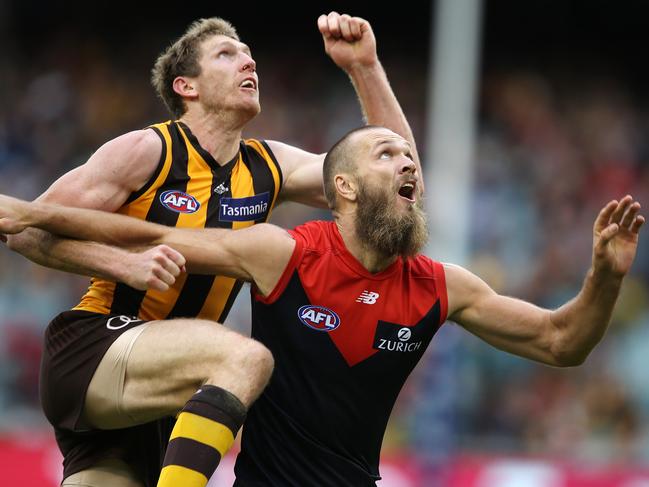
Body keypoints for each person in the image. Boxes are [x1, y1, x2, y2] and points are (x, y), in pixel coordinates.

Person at [0, 125, 644, 485]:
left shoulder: (443, 285)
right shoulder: (283, 254)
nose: (407, 164)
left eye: (409, 157)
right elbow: (157, 236)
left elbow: (563, 342)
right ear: (342, 187)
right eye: (385, 153)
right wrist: (28, 213)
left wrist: (604, 277)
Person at [4, 12, 421, 487]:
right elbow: (24, 229)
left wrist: (364, 68)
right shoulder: (147, 150)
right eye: (228, 54)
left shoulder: (268, 166)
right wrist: (121, 262)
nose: (249, 62)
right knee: (246, 358)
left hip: (165, 390)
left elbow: (394, 181)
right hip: (96, 347)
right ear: (187, 87)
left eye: (249, 55)